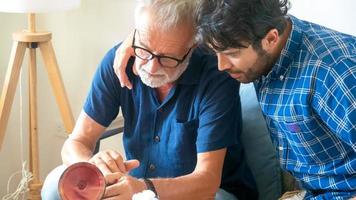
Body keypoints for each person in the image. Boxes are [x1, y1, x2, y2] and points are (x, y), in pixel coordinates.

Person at [113, 0, 356, 199]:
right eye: (215, 52)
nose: (220, 65)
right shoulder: (264, 44)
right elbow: (177, 16)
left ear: (270, 39)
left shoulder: (335, 75)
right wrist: (137, 41)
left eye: (231, 54)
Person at [41, 0, 257, 200]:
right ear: (135, 35)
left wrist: (142, 187)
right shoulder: (119, 62)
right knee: (54, 186)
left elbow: (207, 181)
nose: (151, 67)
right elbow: (76, 143)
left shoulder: (216, 76)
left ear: (192, 47)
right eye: (144, 50)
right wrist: (94, 168)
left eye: (167, 58)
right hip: (137, 189)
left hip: (209, 193)